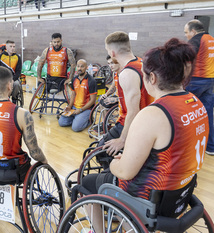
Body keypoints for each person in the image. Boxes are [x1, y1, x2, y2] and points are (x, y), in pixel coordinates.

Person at [81, 38, 209, 231]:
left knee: (86, 184)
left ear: (153, 79)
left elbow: (125, 172)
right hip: (182, 191)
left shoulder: (153, 114)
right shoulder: (196, 103)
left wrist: (117, 162)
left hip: (151, 196)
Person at [0, 66, 47, 181]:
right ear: (10, 85)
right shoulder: (21, 114)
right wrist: (44, 161)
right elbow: (34, 153)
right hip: (13, 170)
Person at [102, 31, 153, 155]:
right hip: (148, 119)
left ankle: (118, 172)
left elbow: (133, 111)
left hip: (133, 123)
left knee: (103, 151)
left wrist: (122, 140)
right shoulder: (141, 62)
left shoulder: (127, 73)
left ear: (112, 53)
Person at [184, 19, 214, 155]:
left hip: (196, 80)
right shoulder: (211, 38)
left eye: (186, 32)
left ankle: (185, 144)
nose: (186, 36)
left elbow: (186, 60)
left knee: (184, 111)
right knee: (207, 113)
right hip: (210, 81)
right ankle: (210, 147)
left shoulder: (196, 40)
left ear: (193, 31)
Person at [58, 59, 97, 132]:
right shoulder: (74, 79)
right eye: (78, 66)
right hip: (74, 107)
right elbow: (73, 94)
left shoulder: (91, 81)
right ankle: (77, 118)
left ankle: (89, 120)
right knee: (61, 123)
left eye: (82, 66)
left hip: (86, 109)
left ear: (86, 67)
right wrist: (69, 106)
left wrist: (81, 110)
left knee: (76, 128)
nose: (79, 68)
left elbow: (93, 100)